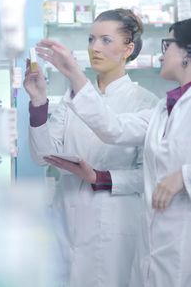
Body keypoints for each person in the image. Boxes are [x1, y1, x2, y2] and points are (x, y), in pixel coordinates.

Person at [36, 18, 191, 287]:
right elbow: (113, 128)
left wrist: (183, 177)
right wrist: (70, 79)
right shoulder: (164, 109)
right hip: (150, 237)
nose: (162, 51)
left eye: (168, 44)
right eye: (91, 39)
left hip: (168, 232)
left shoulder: (150, 102)